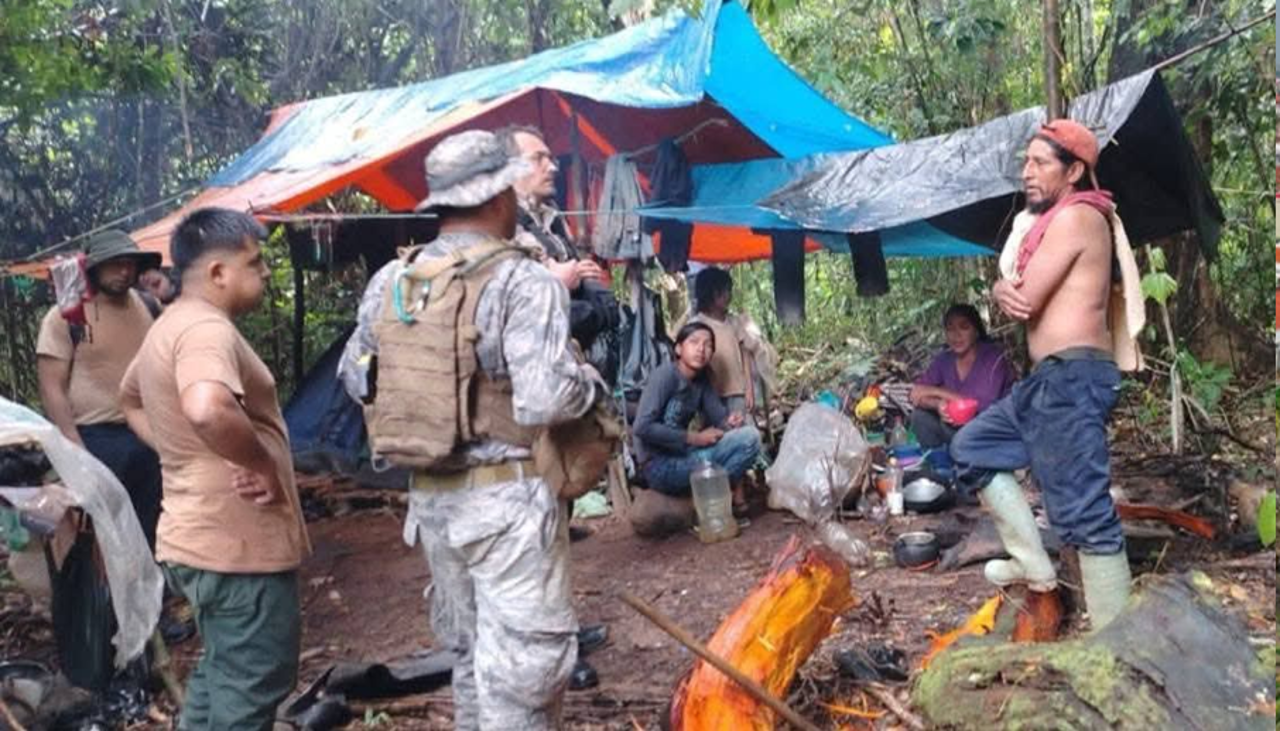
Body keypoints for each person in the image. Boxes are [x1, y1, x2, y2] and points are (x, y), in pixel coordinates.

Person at [339, 130, 602, 730]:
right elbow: (547, 399)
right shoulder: (522, 281)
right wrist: (590, 383)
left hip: (431, 503)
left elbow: (356, 377)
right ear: (501, 194)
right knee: (526, 672)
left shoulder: (394, 282)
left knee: (471, 658)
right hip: (505, 500)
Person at [119, 208, 310, 730]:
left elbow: (130, 398)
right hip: (235, 543)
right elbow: (206, 406)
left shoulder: (171, 323)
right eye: (255, 261)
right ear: (218, 273)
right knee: (255, 677)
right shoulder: (205, 329)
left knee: (226, 669)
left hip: (197, 534)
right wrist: (259, 463)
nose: (266, 272)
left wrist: (180, 451)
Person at [950, 119, 1144, 632]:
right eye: (1026, 162)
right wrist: (999, 288)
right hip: (1049, 380)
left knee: (1084, 513)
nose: (1027, 172)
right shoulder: (1054, 218)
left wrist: (1001, 289)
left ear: (1074, 170)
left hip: (1073, 377)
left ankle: (1115, 651)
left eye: (1040, 163)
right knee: (971, 448)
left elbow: (1024, 298)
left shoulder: (1079, 216)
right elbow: (1013, 291)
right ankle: (1037, 570)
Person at [36, 231, 164, 549]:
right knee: (106, 529)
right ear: (93, 267)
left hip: (147, 431)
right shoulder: (67, 317)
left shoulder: (147, 306)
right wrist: (74, 448)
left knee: (150, 518)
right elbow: (52, 387)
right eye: (115, 264)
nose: (125, 271)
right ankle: (104, 597)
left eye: (130, 264)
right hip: (95, 437)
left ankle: (152, 594)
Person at [498, 125, 619, 360]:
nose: (552, 167)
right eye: (538, 159)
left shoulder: (552, 216)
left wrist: (579, 271)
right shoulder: (496, 220)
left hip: (568, 356)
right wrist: (553, 280)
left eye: (550, 158)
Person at [632, 322, 761, 502]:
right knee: (747, 440)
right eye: (694, 342)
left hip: (685, 455)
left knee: (749, 438)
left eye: (708, 345)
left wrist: (729, 421)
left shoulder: (702, 381)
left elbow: (719, 418)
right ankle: (712, 496)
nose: (701, 349)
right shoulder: (665, 375)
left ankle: (708, 496)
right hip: (657, 466)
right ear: (678, 349)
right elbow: (642, 427)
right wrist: (694, 438)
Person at [909, 303, 1017, 449]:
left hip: (990, 431)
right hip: (956, 431)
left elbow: (979, 407)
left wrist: (935, 391)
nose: (956, 335)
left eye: (964, 327)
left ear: (976, 331)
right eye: (950, 329)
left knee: (954, 425)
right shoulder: (944, 359)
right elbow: (916, 393)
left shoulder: (993, 357)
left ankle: (967, 463)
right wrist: (938, 405)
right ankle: (939, 464)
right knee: (920, 417)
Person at [689, 267, 756, 416]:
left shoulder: (734, 322)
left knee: (743, 432)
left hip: (738, 390)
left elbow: (745, 354)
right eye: (725, 291)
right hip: (711, 395)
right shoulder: (697, 324)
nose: (729, 296)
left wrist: (749, 388)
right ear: (712, 294)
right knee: (718, 433)